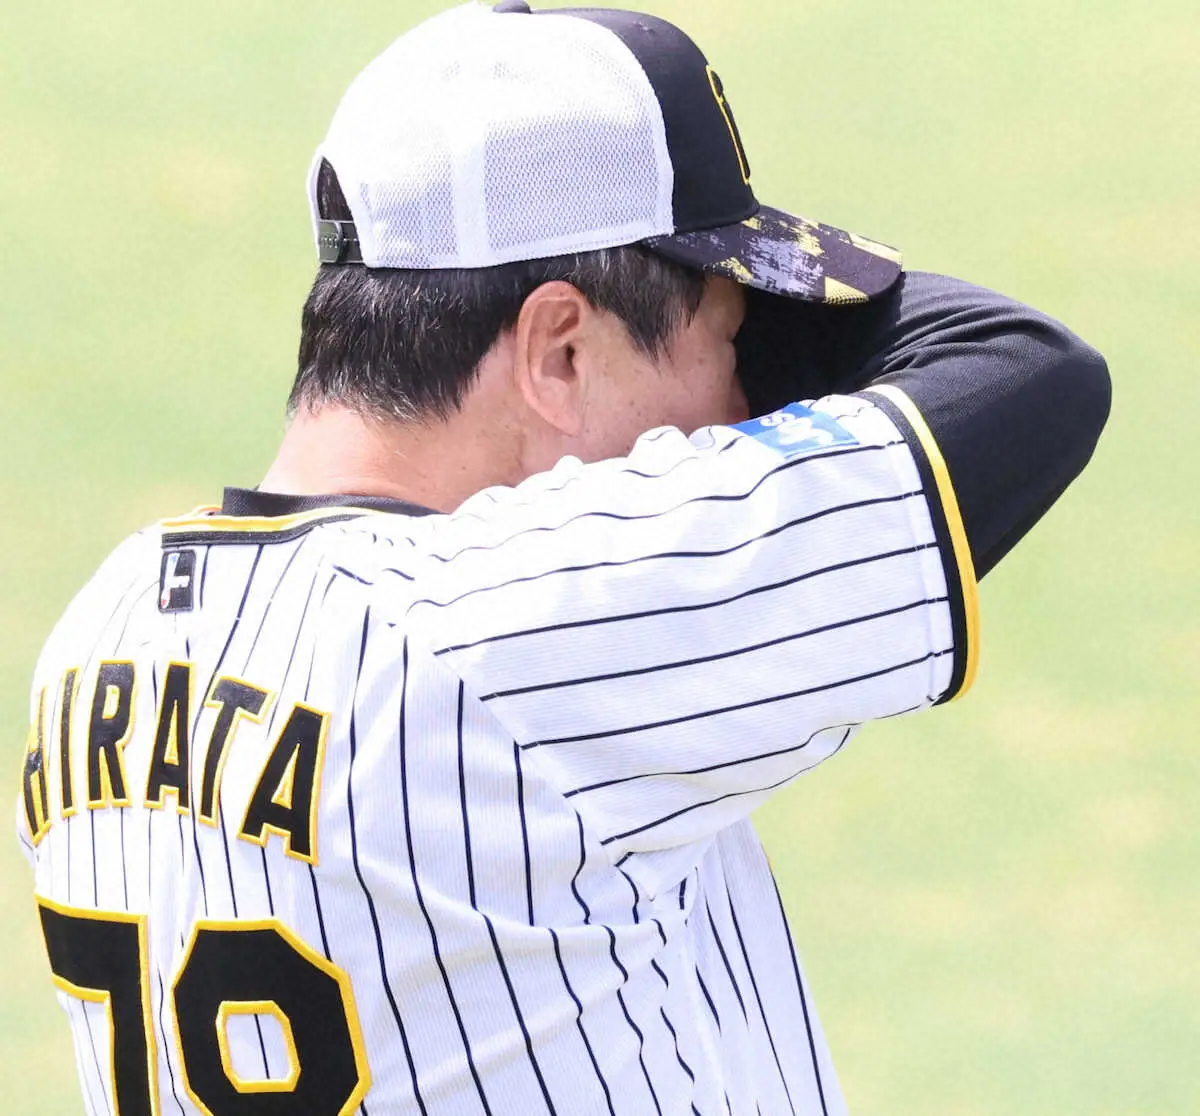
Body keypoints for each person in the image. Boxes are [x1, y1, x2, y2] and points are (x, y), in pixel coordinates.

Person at [17, 3, 1109, 1114]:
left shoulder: (98, 634)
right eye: (731, 339)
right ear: (561, 348)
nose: (740, 410)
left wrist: (685, 307)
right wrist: (763, 311)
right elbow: (1025, 371)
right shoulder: (510, 639)